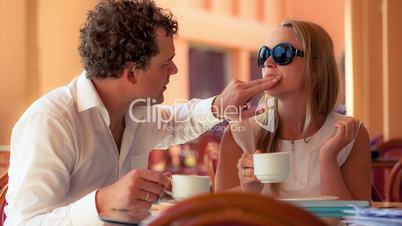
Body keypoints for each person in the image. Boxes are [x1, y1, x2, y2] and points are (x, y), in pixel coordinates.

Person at [5, 0, 281, 225]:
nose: (174, 71)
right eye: (166, 64)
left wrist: (219, 105)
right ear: (132, 72)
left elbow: (175, 123)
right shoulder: (51, 121)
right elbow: (24, 222)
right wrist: (100, 202)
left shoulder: (136, 110)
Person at [215, 20, 371, 201]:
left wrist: (328, 159)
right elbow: (219, 214)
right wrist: (248, 192)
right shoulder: (239, 133)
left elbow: (355, 219)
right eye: (264, 54)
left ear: (314, 69)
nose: (268, 62)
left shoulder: (351, 134)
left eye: (282, 53)